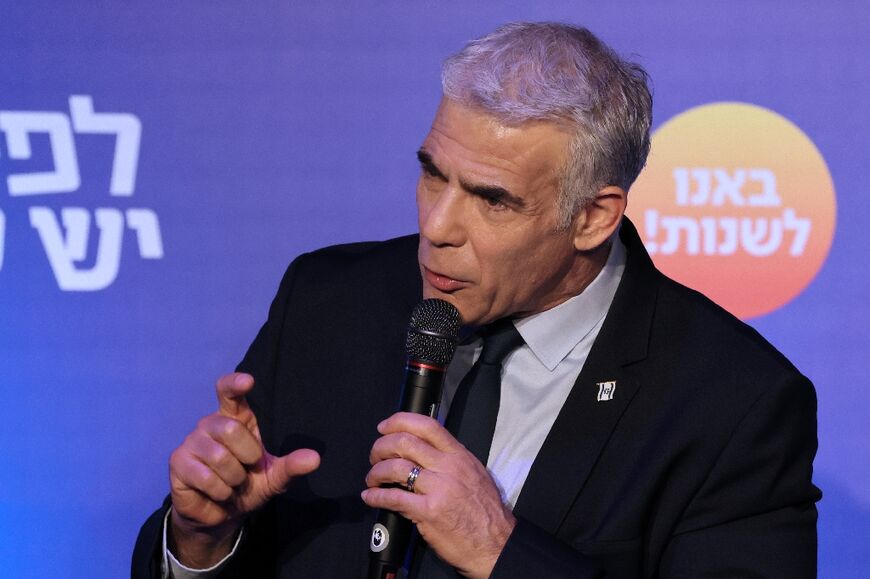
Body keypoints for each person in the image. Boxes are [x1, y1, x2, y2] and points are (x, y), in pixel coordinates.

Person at [133, 22, 821, 578]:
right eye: (434, 175)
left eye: (492, 200)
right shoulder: (326, 301)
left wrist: (499, 548)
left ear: (593, 217)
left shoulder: (737, 402)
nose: (435, 228)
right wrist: (202, 541)